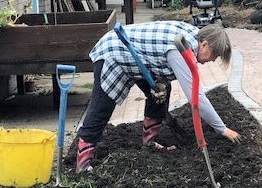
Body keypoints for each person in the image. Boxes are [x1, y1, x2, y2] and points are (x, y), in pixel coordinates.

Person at [77, 21, 241, 172]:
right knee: (102, 106)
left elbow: (158, 55)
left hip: (140, 58)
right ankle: (83, 159)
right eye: (215, 54)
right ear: (204, 45)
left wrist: (161, 81)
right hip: (114, 53)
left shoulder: (193, 36)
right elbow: (195, 98)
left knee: (161, 92)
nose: (213, 60)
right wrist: (222, 128)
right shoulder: (180, 50)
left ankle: (149, 141)